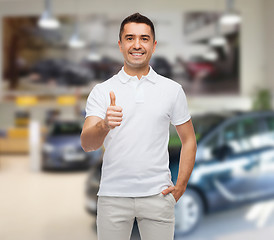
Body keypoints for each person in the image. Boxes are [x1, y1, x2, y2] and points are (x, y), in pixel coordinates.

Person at [81, 12, 197, 240]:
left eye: (144, 39)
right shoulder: (102, 91)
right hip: (113, 197)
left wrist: (181, 185)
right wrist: (104, 124)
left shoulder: (172, 90)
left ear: (153, 46)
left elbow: (189, 140)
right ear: (120, 45)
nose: (137, 45)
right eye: (130, 38)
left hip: (158, 196)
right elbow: (87, 143)